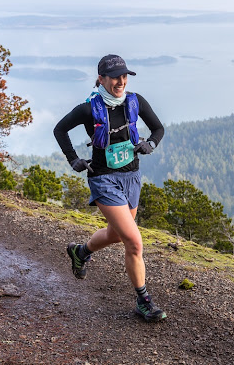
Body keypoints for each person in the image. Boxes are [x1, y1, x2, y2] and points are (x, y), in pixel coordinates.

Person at [53, 54, 166, 322]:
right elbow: (60, 130)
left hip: (131, 177)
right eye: (115, 77)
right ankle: (144, 301)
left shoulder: (135, 101)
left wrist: (150, 144)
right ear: (101, 79)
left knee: (116, 235)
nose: (121, 81)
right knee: (134, 242)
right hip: (103, 179)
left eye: (124, 76)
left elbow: (158, 129)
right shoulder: (87, 109)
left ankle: (80, 252)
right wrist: (73, 159)